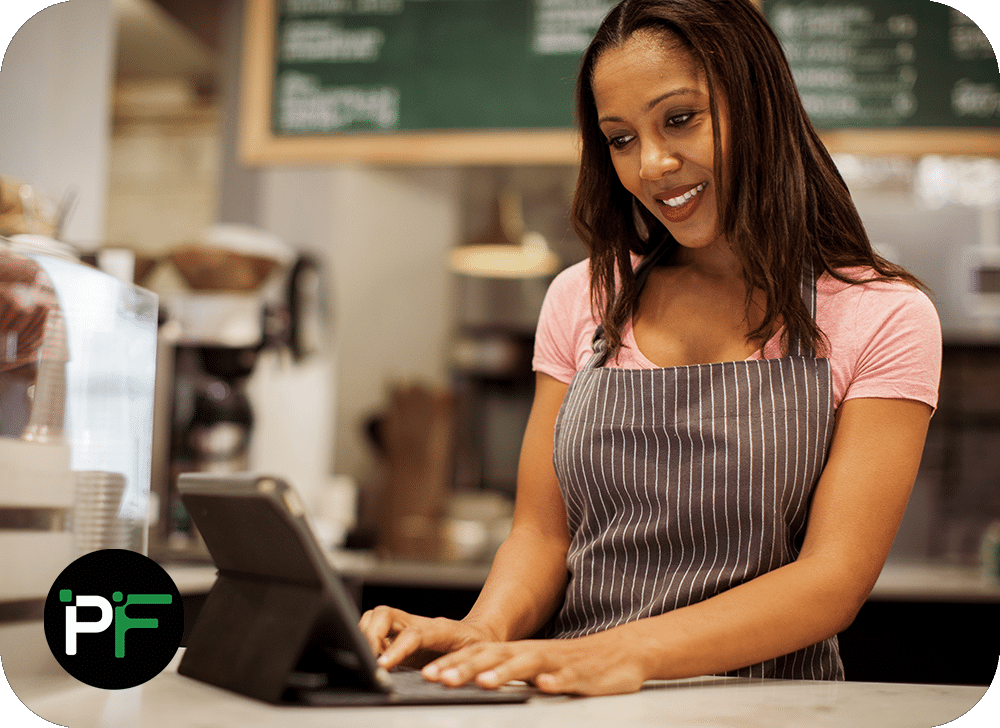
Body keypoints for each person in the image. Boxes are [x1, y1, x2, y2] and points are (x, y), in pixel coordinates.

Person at [359, 0, 941, 695]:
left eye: (680, 118)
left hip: (769, 708)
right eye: (620, 138)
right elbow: (543, 536)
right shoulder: (585, 296)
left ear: (758, 103)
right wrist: (485, 633)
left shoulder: (883, 314)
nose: (653, 164)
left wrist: (623, 654)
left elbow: (832, 580)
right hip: (570, 698)